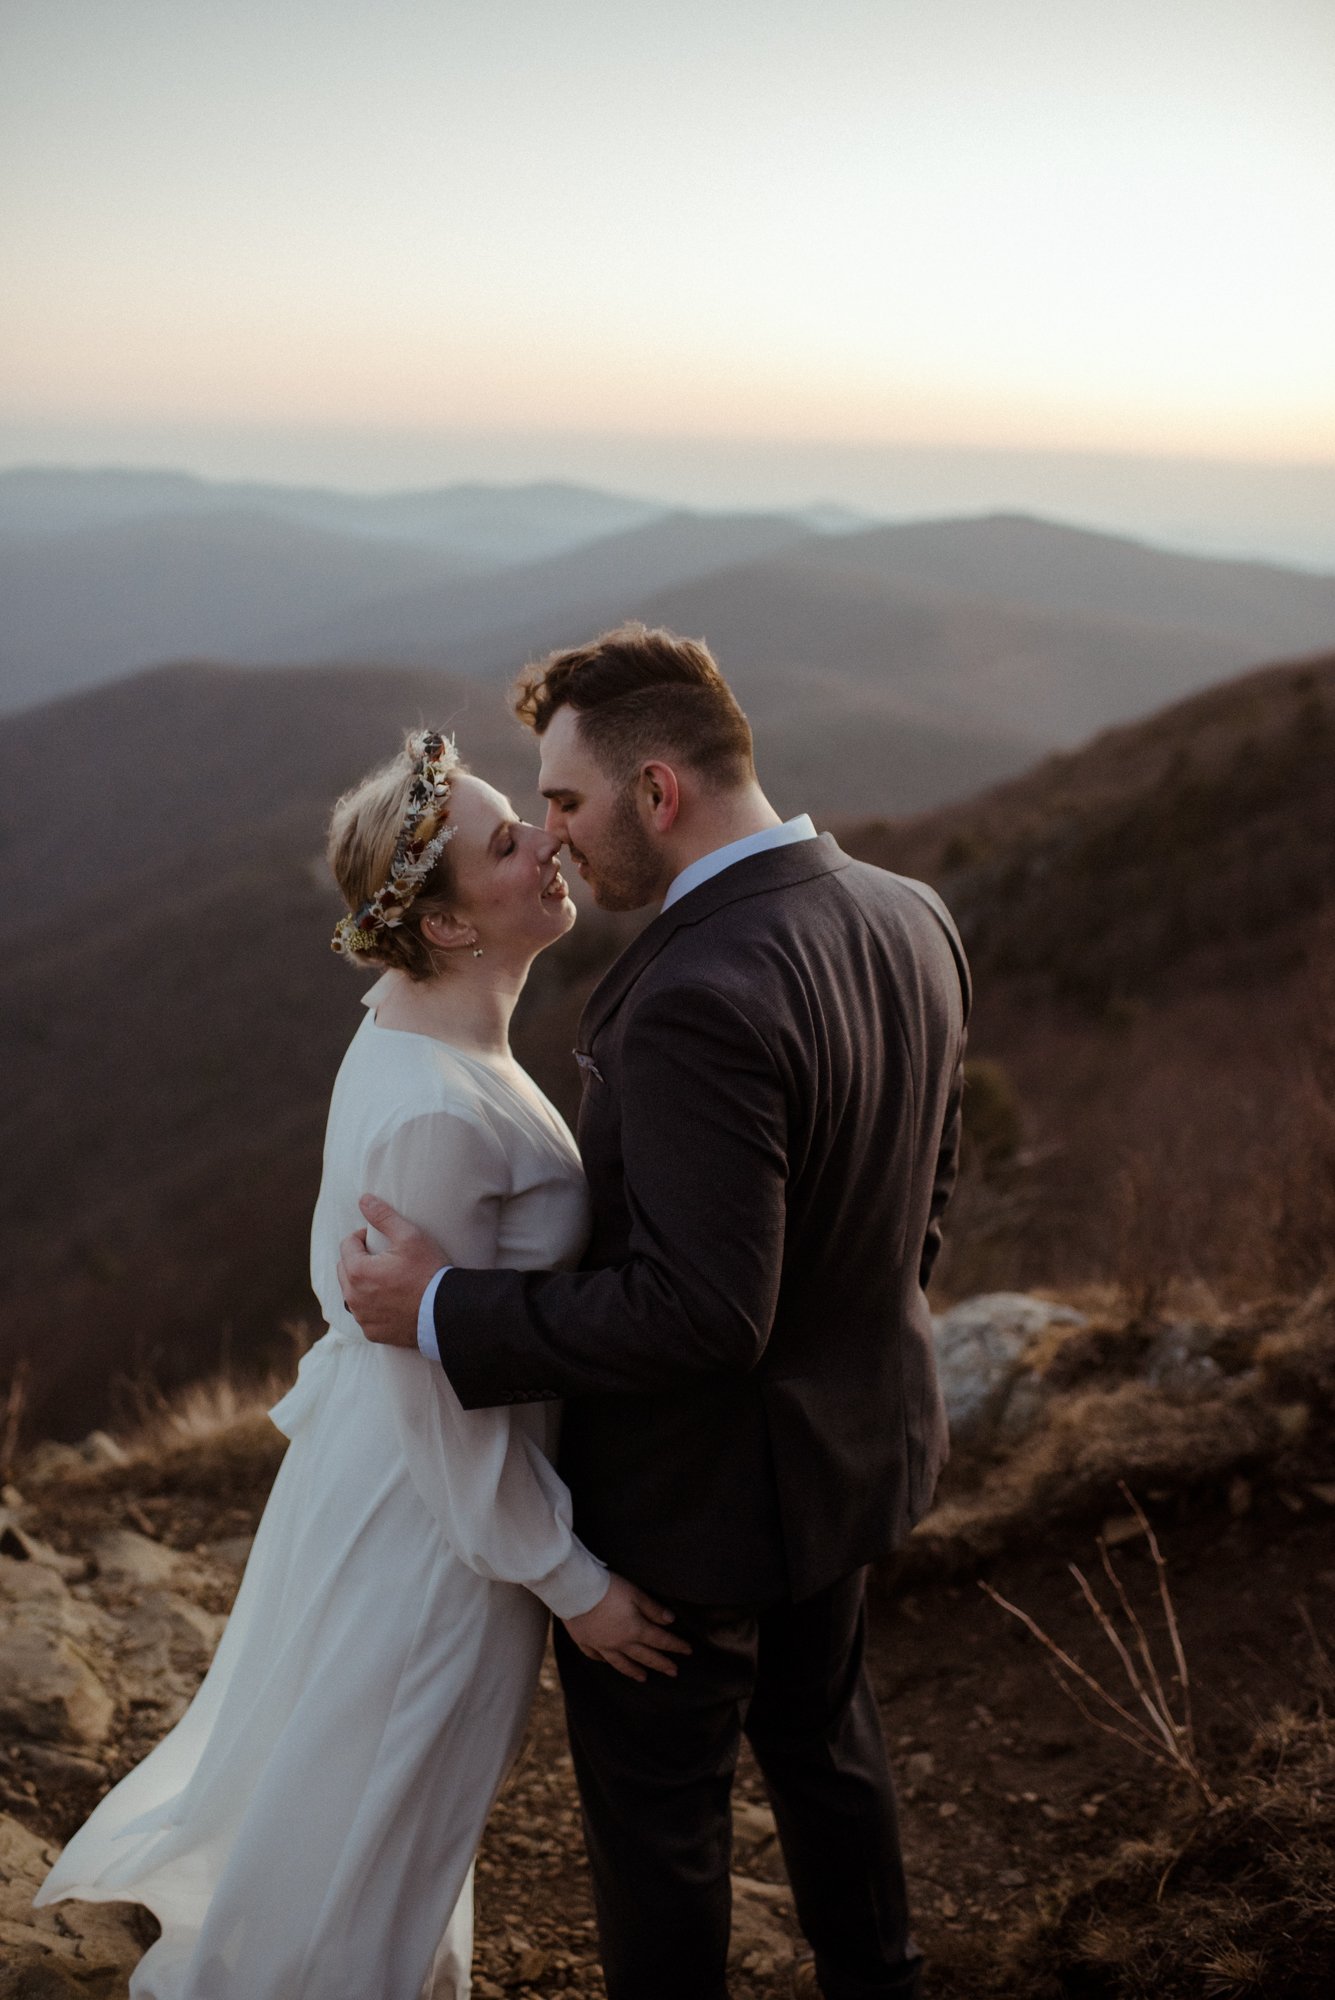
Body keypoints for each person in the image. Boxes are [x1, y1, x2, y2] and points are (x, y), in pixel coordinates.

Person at [340, 627, 973, 2000]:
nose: (555, 838)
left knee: (662, 1834)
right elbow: (921, 1190)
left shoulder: (689, 994)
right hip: (852, 1456)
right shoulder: (906, 912)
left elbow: (700, 1314)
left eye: (563, 803)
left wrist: (447, 1307)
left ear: (658, 793)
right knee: (825, 1744)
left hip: (691, 1508)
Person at [35, 730, 684, 2000]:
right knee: (382, 1826)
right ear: (444, 928)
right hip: (434, 1532)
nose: (550, 839)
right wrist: (572, 1579)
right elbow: (431, 1384)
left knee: (375, 1821)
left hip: (398, 1496)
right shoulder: (438, 1104)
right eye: (511, 842)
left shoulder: (414, 1030)